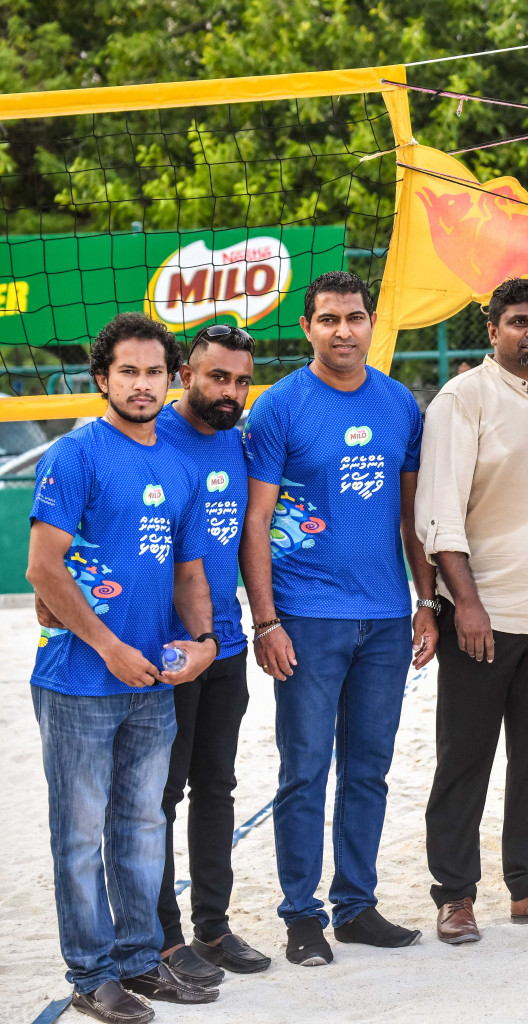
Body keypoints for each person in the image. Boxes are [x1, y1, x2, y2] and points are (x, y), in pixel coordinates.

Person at [240, 271, 439, 966]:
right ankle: (302, 914)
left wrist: (427, 600)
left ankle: (355, 906)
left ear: (371, 322)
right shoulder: (278, 408)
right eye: (328, 319)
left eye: (354, 317)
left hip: (386, 616)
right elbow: (256, 521)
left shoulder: (399, 404)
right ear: (307, 328)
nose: (343, 330)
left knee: (370, 769)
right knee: (304, 769)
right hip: (307, 615)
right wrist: (266, 622)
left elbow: (413, 516)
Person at [27, 312, 221, 1023]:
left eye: (154, 372)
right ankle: (89, 973)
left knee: (143, 826)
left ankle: (142, 961)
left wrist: (202, 643)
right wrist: (108, 645)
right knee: (79, 837)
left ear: (173, 380)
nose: (143, 384)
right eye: (128, 372)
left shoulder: (177, 463)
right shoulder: (75, 456)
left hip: (152, 684)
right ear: (103, 379)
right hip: (80, 682)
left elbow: (190, 573)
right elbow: (42, 568)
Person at [417, 279, 528, 942]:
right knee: (465, 757)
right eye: (518, 321)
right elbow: (439, 512)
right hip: (484, 613)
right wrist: (464, 603)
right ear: (492, 331)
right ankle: (455, 896)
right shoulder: (463, 399)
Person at [154, 324, 272, 982]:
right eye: (217, 377)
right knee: (161, 796)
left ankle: (213, 928)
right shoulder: (150, 437)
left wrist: (262, 621)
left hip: (224, 642)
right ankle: (165, 938)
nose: (230, 391)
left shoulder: (238, 442)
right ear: (184, 375)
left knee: (217, 787)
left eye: (240, 380)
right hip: (163, 648)